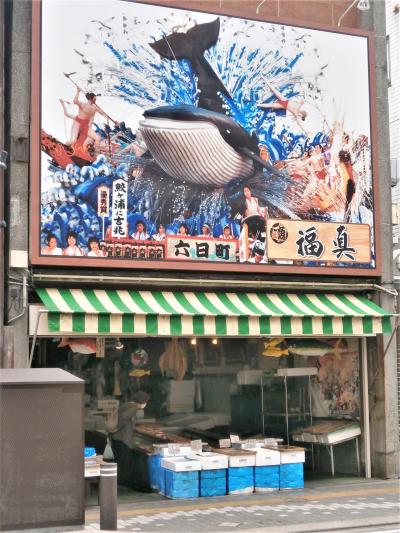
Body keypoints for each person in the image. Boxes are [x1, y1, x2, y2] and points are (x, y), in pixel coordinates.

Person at [106, 391, 150, 486]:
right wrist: (118, 428)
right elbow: (123, 418)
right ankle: (120, 483)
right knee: (123, 462)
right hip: (123, 440)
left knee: (118, 461)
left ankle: (117, 482)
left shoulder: (126, 405)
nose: (145, 404)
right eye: (146, 402)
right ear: (142, 401)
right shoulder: (133, 408)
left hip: (117, 438)